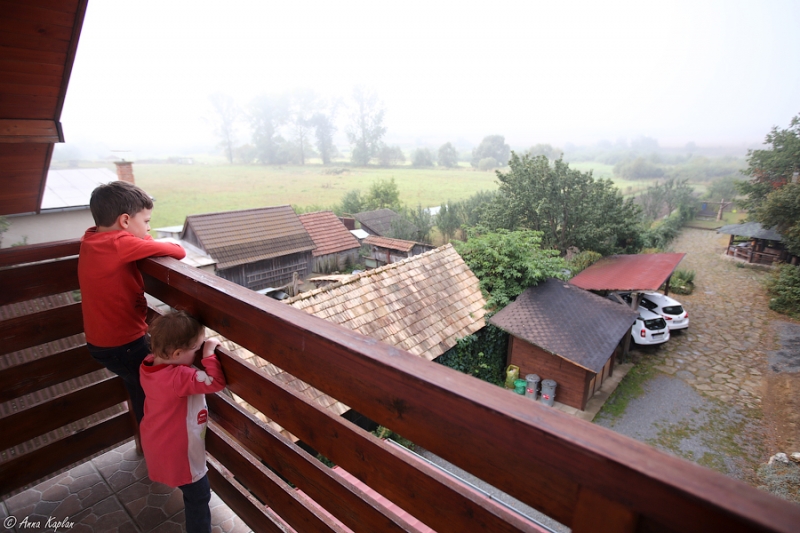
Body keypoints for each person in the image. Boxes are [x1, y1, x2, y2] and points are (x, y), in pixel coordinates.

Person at [78, 180, 185, 423]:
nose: (149, 228)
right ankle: (156, 435)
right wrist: (146, 240)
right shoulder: (119, 243)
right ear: (125, 221)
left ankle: (149, 434)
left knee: (139, 387)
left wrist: (141, 238)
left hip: (104, 343)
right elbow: (178, 251)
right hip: (123, 343)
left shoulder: (91, 238)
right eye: (146, 221)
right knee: (151, 391)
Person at [140, 311, 226, 533]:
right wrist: (208, 354)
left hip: (156, 440)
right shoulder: (178, 377)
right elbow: (215, 382)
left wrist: (197, 349)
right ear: (177, 353)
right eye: (196, 349)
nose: (197, 353)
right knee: (199, 496)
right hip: (179, 451)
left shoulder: (148, 365)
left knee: (188, 488)